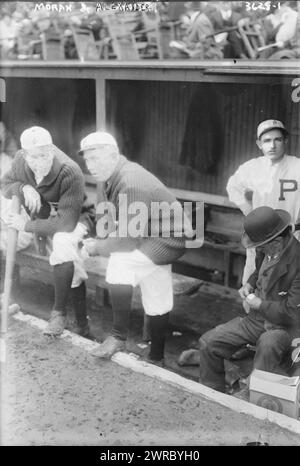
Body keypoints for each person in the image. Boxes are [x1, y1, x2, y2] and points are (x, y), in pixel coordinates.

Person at [80, 131, 191, 366]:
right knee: (157, 289)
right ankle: (157, 357)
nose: (91, 166)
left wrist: (97, 247)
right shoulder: (120, 174)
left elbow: (128, 241)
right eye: (88, 160)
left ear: (113, 155)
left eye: (96, 158)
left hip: (165, 240)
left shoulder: (131, 182)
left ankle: (118, 336)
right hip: (160, 237)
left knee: (120, 262)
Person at [1, 126, 95, 337]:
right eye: (32, 157)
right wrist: (24, 188)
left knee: (63, 243)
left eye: (43, 155)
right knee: (71, 261)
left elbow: (66, 224)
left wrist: (24, 225)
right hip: (46, 216)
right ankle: (82, 324)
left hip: (78, 218)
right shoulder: (20, 159)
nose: (38, 162)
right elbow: (5, 184)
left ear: (52, 150)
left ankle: (58, 313)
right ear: (24, 154)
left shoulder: (69, 171)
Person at [198, 206, 300, 393]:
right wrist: (250, 284)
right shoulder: (266, 250)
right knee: (209, 342)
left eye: (260, 245)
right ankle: (212, 395)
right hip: (256, 319)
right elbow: (259, 271)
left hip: (283, 327)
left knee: (267, 346)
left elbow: (292, 312)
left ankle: (252, 398)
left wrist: (260, 304)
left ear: (276, 241)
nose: (258, 249)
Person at [227, 119, 300, 285]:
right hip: (261, 236)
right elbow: (233, 187)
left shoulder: (297, 166)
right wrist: (250, 211)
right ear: (259, 144)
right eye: (267, 140)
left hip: (292, 236)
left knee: (288, 289)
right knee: (254, 281)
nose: (272, 145)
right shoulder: (253, 167)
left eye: (278, 139)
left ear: (285, 141)